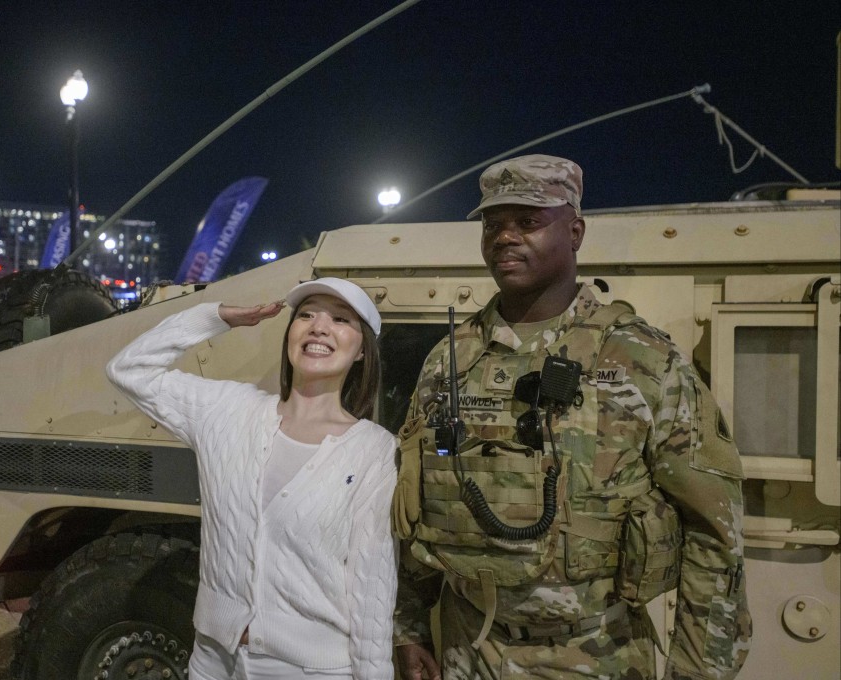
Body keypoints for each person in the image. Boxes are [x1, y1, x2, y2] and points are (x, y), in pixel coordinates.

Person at [393, 155, 750, 680]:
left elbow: (715, 531)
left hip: (594, 654)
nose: (505, 237)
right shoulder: (450, 360)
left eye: (529, 222)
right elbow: (422, 495)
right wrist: (409, 628)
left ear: (575, 231)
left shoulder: (643, 361)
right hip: (466, 653)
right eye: (493, 224)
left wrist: (697, 672)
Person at [107, 277, 398, 679]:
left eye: (340, 319)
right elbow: (128, 368)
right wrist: (215, 317)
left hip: (310, 670)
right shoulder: (227, 412)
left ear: (363, 349)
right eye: (306, 314)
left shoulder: (372, 450)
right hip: (212, 660)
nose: (319, 326)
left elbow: (372, 584)